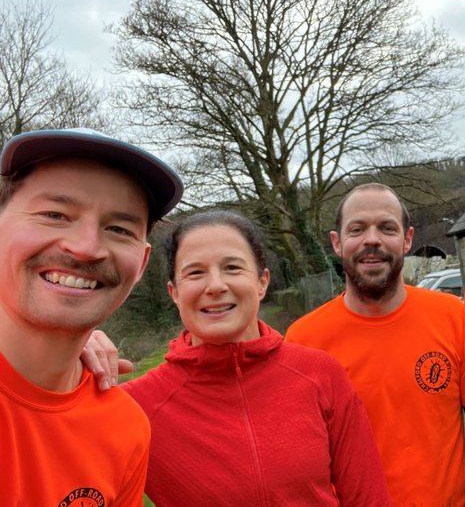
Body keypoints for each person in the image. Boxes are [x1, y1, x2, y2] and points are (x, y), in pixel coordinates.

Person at [88, 210, 392, 506]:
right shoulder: (137, 406)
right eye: (195, 272)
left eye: (233, 268)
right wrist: (67, 348)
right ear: (174, 292)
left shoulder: (319, 374)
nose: (216, 285)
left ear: (262, 282)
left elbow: (368, 498)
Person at [285, 183, 465, 507]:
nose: (372, 239)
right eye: (357, 229)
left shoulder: (451, 316)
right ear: (337, 242)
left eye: (387, 228)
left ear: (407, 239)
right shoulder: (304, 340)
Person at [0, 128, 183, 505]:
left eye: (118, 229)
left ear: (143, 262)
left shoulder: (124, 428)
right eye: (54, 214)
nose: (86, 248)